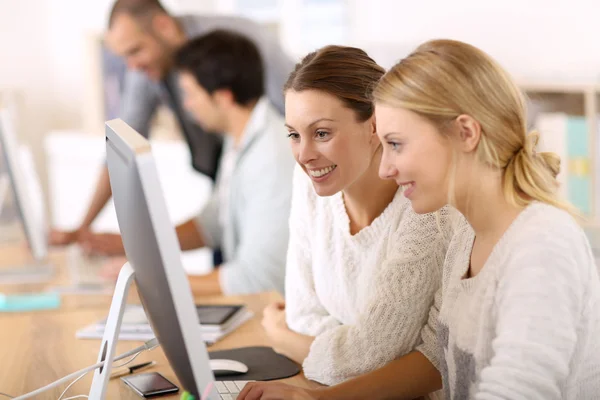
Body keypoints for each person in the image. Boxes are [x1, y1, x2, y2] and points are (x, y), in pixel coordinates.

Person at [239, 39, 600, 400]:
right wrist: (315, 398)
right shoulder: (464, 237)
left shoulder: (541, 244)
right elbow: (434, 356)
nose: (385, 167)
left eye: (395, 144)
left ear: (465, 134)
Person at [259, 45, 453, 387]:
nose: (304, 155)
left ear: (374, 126)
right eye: (293, 134)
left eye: (321, 133)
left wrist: (283, 339)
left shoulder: (424, 207)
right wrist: (345, 348)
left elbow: (376, 356)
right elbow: (303, 314)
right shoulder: (311, 183)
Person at [49, 0, 294, 255]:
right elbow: (123, 146)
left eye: (135, 51)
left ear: (164, 26)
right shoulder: (145, 68)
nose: (131, 66)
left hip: (275, 183)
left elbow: (303, 109)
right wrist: (84, 228)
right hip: (227, 180)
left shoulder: (244, 41)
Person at [101, 30, 294, 295]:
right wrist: (137, 248)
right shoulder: (239, 139)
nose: (188, 106)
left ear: (223, 97)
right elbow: (214, 223)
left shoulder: (272, 158)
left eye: (191, 94)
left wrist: (154, 280)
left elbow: (258, 279)